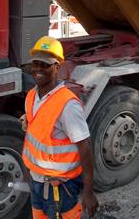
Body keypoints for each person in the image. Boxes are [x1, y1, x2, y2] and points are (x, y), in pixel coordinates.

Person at [21, 36, 98, 219]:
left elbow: (85, 148)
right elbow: (35, 137)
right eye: (36, 64)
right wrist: (30, 171)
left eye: (45, 65)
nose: (38, 69)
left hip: (59, 187)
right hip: (37, 181)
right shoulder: (32, 96)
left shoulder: (67, 105)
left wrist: (88, 191)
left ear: (57, 68)